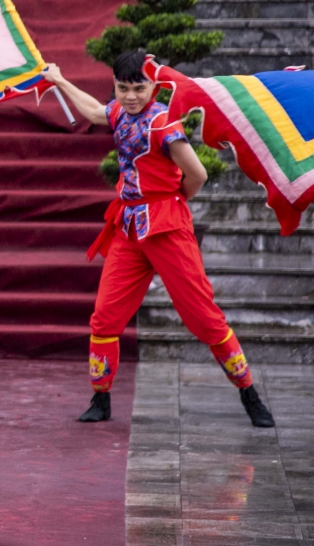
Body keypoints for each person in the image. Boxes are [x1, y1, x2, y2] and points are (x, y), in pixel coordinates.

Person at [43, 51, 275, 429]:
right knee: (105, 316)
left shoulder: (162, 123)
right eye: (122, 88)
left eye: (139, 88)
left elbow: (196, 173)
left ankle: (249, 392)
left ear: (153, 86)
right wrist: (61, 81)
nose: (131, 96)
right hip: (131, 227)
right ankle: (100, 399)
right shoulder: (119, 112)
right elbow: (96, 113)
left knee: (204, 318)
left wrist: (173, 199)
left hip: (166, 225)